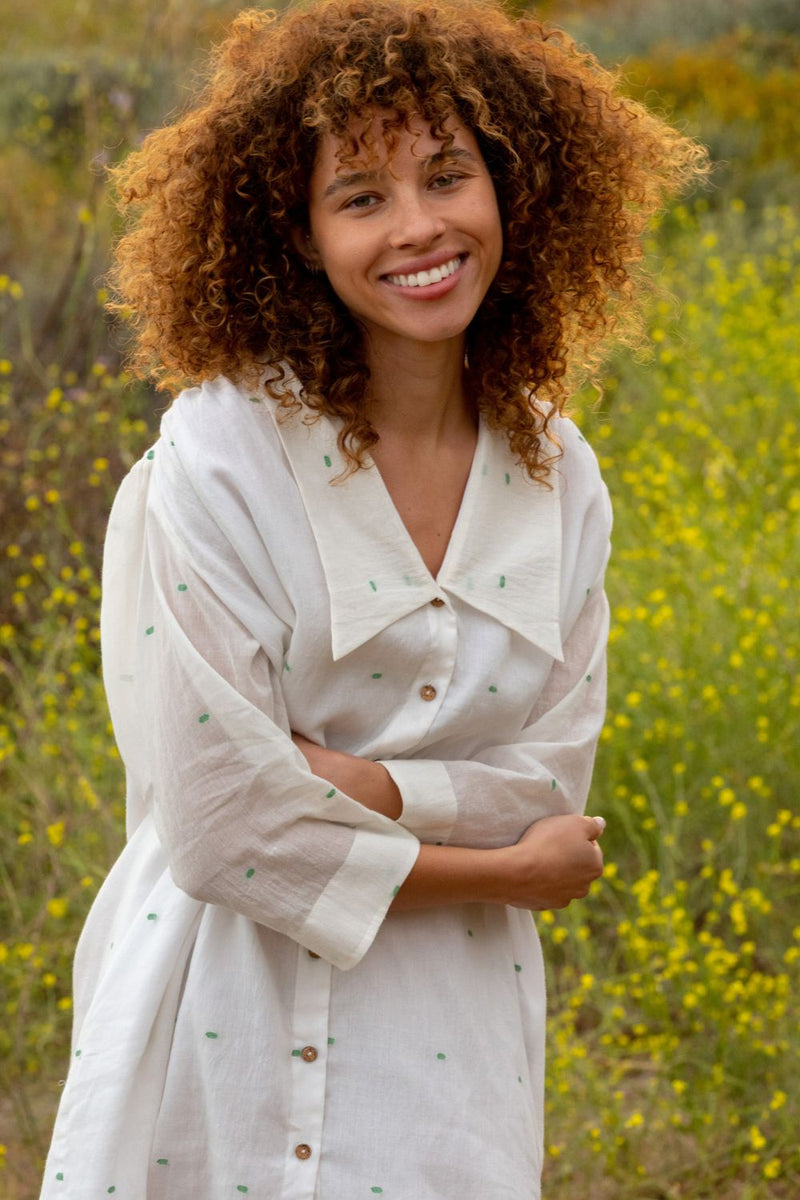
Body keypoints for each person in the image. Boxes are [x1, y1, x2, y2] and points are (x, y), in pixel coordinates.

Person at [41, 1, 706, 1196]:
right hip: (216, 1019)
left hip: (443, 1040)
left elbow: (549, 783)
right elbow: (219, 825)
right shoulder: (218, 459)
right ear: (295, 234)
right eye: (360, 197)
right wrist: (501, 871)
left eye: (447, 176)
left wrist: (360, 786)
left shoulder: (562, 479)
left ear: (511, 190)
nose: (418, 228)